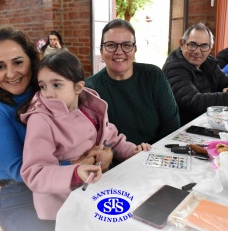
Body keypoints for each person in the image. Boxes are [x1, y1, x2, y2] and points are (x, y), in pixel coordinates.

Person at [19, 50, 150, 220]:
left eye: (56, 85)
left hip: (94, 190)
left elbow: (113, 139)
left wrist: (134, 152)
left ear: (78, 87)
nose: (48, 93)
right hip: (62, 205)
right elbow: (34, 172)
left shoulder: (90, 109)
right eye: (42, 86)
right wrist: (75, 173)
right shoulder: (40, 119)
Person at [0, 25, 58, 231]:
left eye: (18, 62)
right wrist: (75, 165)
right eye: (0, 67)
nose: (11, 73)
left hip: (63, 185)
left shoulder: (48, 95)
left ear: (32, 61)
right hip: (21, 196)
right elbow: (20, 170)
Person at [85, 19, 180, 146]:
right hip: (115, 163)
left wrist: (151, 154)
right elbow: (93, 140)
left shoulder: (153, 75)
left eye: (127, 45)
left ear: (135, 50)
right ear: (102, 51)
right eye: (111, 45)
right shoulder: (91, 89)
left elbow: (172, 125)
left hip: (156, 154)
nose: (119, 51)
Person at [162, 23, 228, 126]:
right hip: (181, 129)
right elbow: (194, 101)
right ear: (182, 44)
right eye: (192, 45)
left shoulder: (208, 62)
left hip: (205, 122)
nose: (197, 51)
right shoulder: (174, 67)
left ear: (210, 48)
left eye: (204, 46)